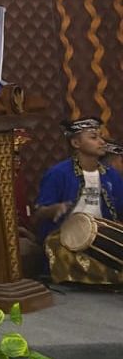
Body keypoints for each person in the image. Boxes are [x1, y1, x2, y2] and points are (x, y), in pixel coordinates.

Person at [33, 117, 123, 285]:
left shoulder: (111, 175)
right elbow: (39, 213)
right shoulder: (58, 173)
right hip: (65, 238)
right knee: (58, 247)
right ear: (76, 143)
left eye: (101, 137)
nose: (101, 142)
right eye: (94, 137)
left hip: (103, 234)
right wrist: (54, 209)